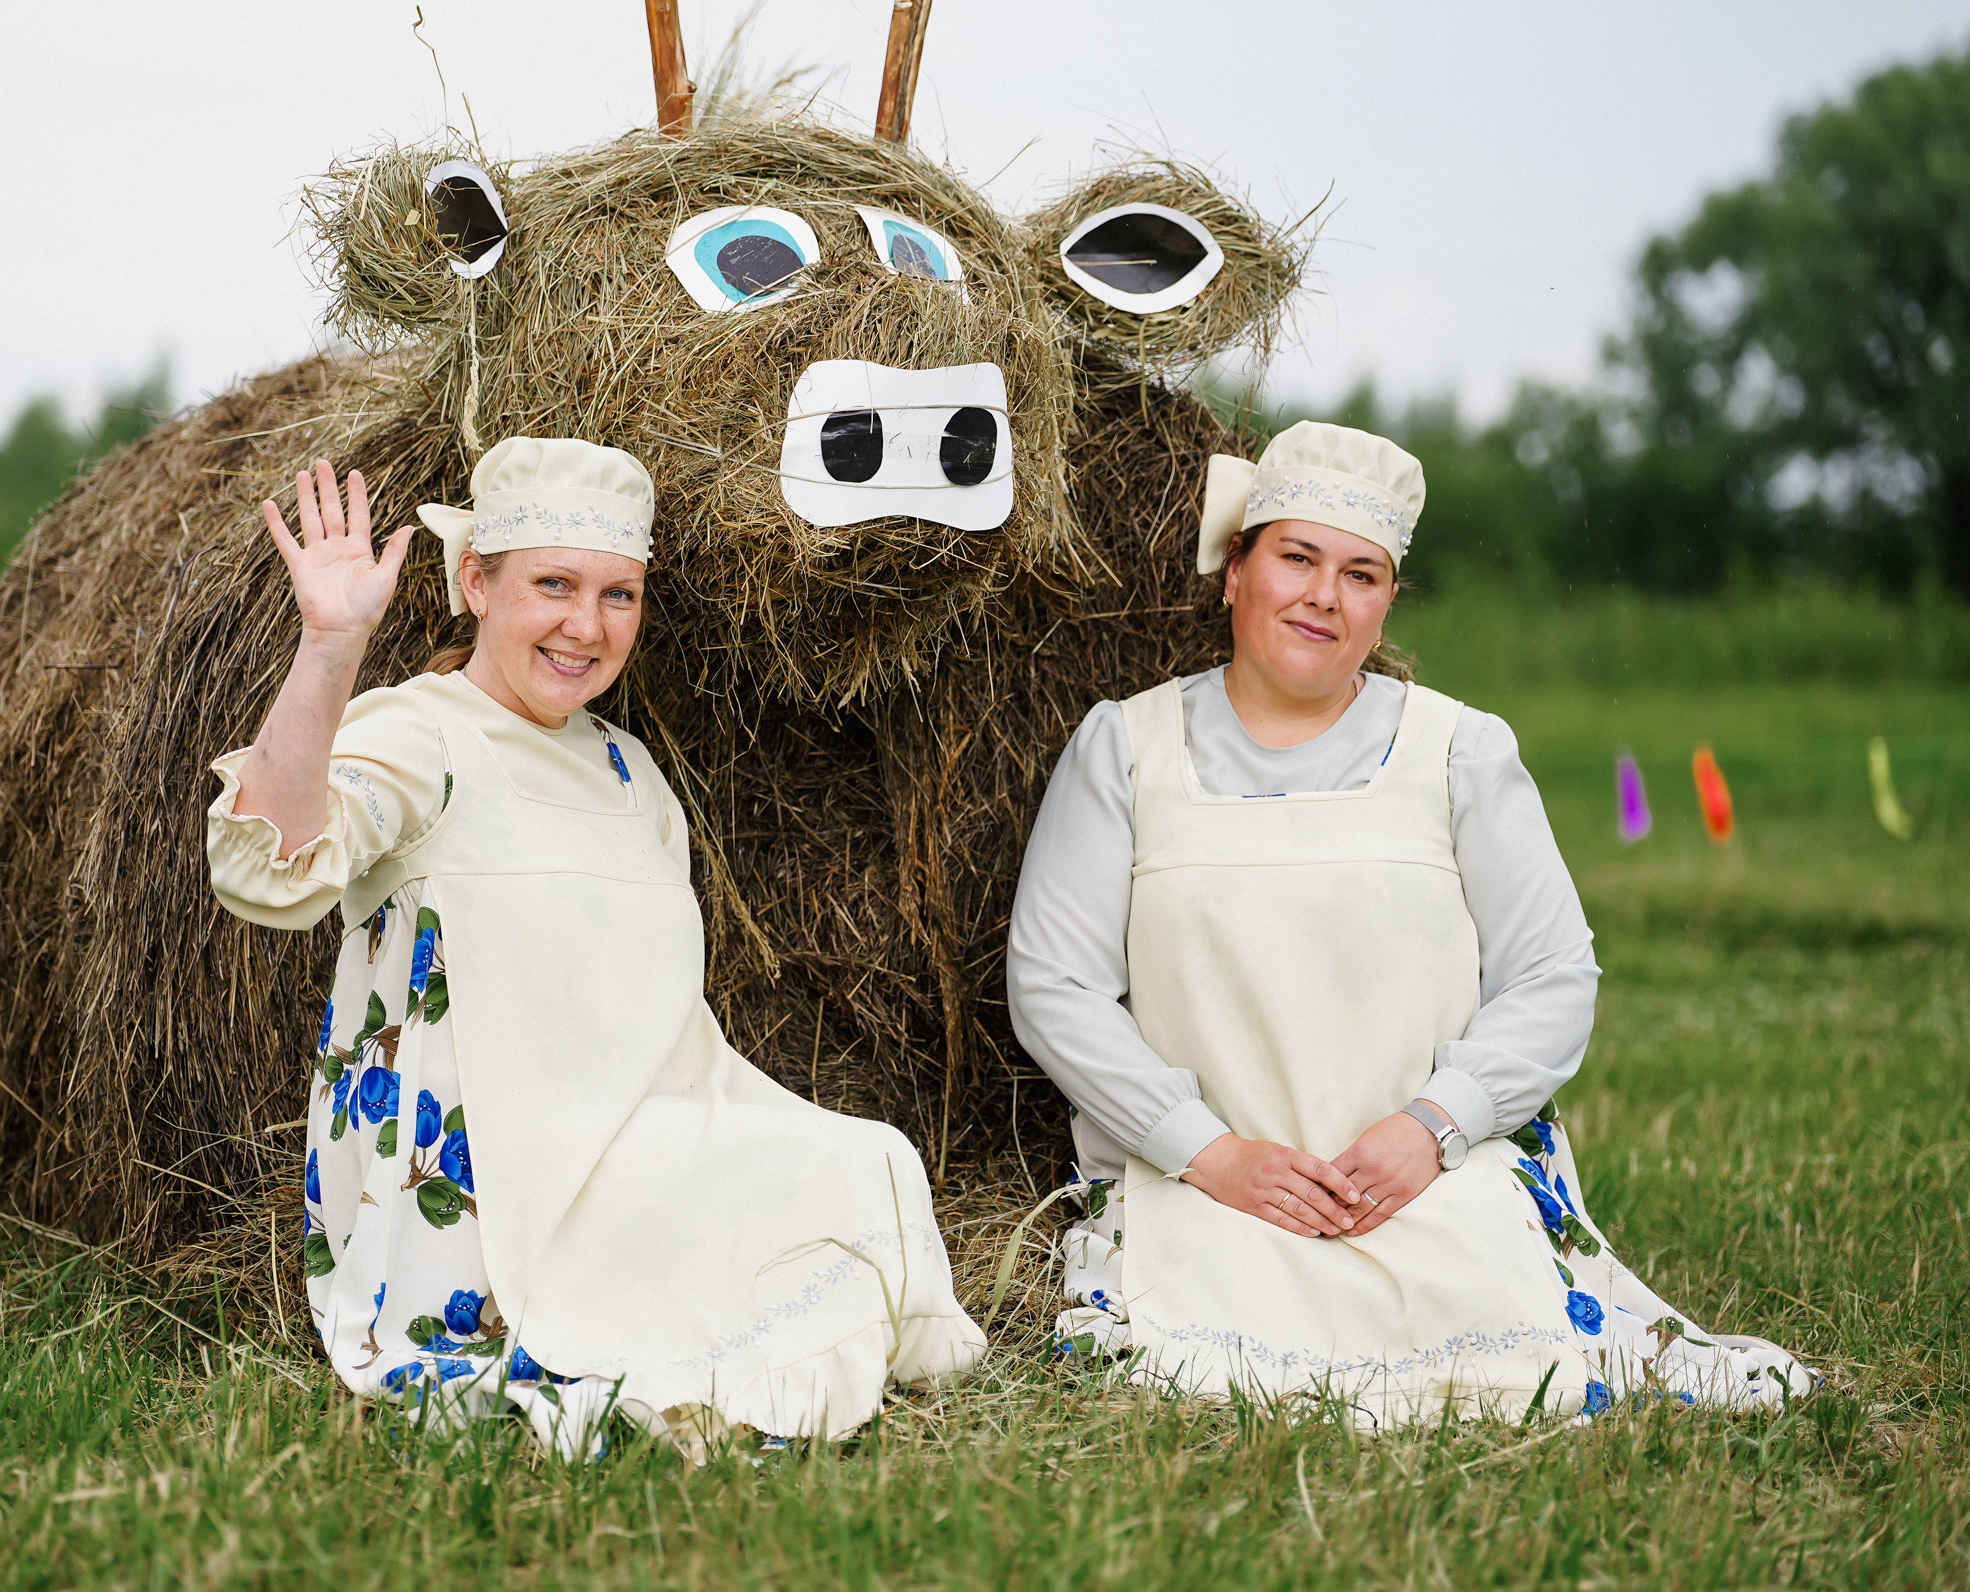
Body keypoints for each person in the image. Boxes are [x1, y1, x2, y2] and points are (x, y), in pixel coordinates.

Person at [1006, 422, 1812, 1424]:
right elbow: (1056, 987)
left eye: (1361, 575)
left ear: (1387, 602)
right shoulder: (1126, 748)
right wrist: (1211, 1153)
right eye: (1297, 558)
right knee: (1188, 1360)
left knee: (1521, 1352)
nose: (1324, 596)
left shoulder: (1461, 750)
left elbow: (1554, 974)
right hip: (1204, 1181)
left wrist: (1432, 1129)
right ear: (1235, 573)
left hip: (1422, 1176)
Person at [207, 437, 985, 1458]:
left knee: (868, 1161)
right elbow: (271, 870)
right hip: (487, 1168)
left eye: (618, 595)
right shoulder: (420, 734)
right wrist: (330, 645)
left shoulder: (630, 772)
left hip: (626, 1138)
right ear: (476, 584)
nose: (587, 625)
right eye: (554, 585)